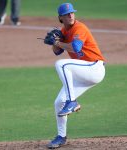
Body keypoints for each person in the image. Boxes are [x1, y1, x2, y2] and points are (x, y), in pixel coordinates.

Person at [45, 3, 106, 149]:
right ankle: (61, 136)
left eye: (72, 12)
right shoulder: (63, 31)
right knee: (59, 102)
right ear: (60, 17)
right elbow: (57, 51)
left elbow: (76, 47)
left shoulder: (80, 28)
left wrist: (57, 42)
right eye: (67, 14)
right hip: (83, 74)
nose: (70, 15)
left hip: (95, 68)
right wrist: (54, 43)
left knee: (61, 64)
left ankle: (72, 101)